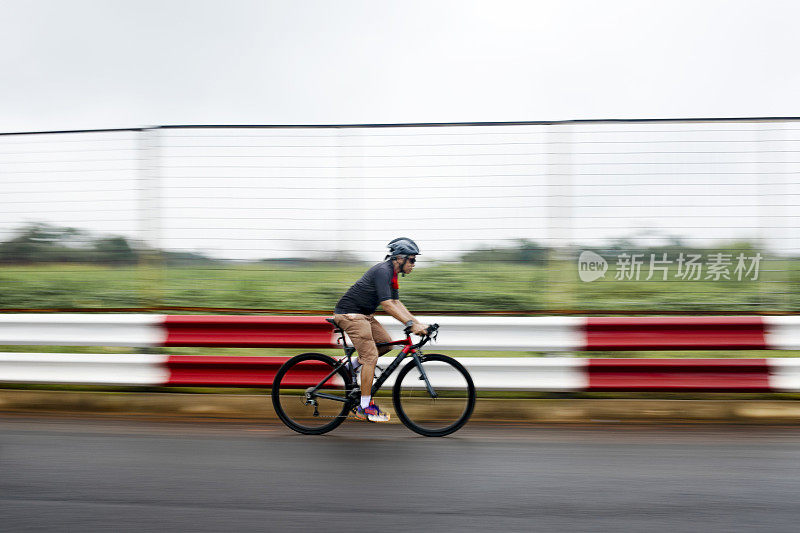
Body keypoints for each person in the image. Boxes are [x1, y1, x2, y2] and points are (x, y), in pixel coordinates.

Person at [333, 237, 429, 422]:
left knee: (385, 345)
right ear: (399, 258)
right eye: (412, 259)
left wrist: (416, 322)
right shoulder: (383, 271)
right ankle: (364, 407)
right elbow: (386, 304)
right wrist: (410, 325)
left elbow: (396, 302)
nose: (414, 264)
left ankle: (349, 367)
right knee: (370, 357)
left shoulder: (392, 275)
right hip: (350, 314)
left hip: (365, 315)